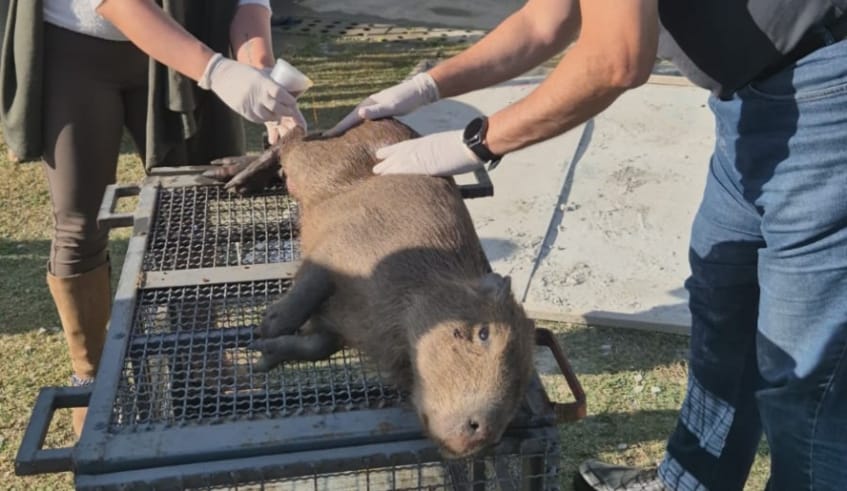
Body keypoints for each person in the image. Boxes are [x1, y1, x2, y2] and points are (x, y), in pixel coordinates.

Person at [325, 0, 847, 489]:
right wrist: (427, 87)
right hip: (752, 101)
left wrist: (476, 141)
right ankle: (691, 481)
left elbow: (616, 59)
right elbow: (545, 22)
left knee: (808, 371)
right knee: (724, 305)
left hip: (827, 93)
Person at [0, 0, 305, 437]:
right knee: (80, 223)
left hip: (184, 39)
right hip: (77, 45)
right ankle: (90, 374)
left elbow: (247, 3)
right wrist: (217, 71)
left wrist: (262, 76)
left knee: (188, 212)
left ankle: (198, 355)